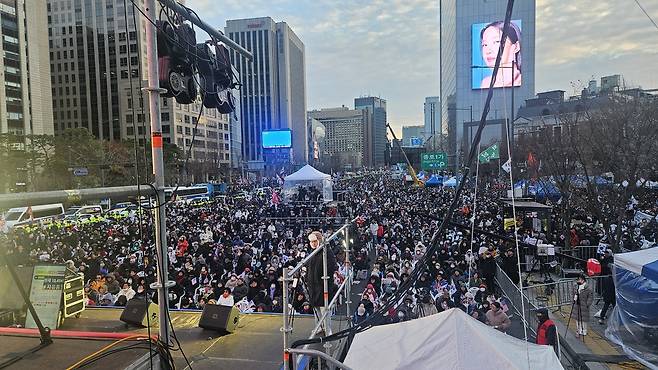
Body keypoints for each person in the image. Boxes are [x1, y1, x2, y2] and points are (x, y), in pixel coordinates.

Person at [306, 231, 337, 333]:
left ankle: (327, 329)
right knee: (317, 309)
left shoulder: (327, 252)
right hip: (313, 285)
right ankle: (319, 326)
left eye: (315, 241)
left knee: (325, 309)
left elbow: (332, 266)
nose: (313, 244)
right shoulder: (313, 252)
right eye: (312, 242)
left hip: (323, 284)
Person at [479, 20, 522, 88]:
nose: (488, 51)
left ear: (516, 46)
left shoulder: (520, 80)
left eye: (496, 42)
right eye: (485, 45)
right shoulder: (486, 83)